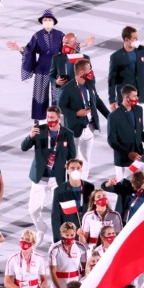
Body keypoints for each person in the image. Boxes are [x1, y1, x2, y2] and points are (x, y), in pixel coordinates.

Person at [6, 10, 94, 119]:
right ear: (42, 22)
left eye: (49, 20)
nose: (47, 21)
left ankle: (58, 117)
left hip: (58, 68)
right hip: (42, 68)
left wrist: (85, 44)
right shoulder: (37, 36)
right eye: (45, 20)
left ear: (54, 22)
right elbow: (29, 49)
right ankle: (40, 120)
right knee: (40, 94)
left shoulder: (60, 35)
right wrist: (18, 48)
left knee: (58, 93)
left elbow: (69, 46)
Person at [21, 105, 77, 247]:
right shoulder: (39, 130)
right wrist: (30, 136)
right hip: (39, 177)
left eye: (52, 117)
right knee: (33, 210)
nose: (49, 120)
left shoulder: (67, 134)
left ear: (59, 118)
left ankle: (56, 239)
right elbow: (23, 147)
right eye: (47, 117)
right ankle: (41, 229)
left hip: (56, 179)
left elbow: (72, 156)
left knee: (57, 211)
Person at [57, 59, 110, 180]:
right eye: (89, 69)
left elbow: (97, 100)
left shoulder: (89, 84)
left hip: (89, 127)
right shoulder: (66, 89)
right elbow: (61, 109)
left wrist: (109, 116)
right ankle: (72, 183)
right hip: (74, 129)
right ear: (81, 72)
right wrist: (76, 113)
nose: (91, 71)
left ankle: (83, 183)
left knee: (86, 158)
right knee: (74, 159)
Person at [107, 85, 144, 180]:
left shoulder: (139, 110)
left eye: (137, 96)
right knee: (124, 189)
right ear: (126, 98)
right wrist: (128, 153)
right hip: (124, 160)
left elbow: (138, 131)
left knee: (143, 185)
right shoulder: (114, 116)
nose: (137, 98)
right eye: (134, 96)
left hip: (140, 156)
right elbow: (112, 141)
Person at [51, 159, 95, 243]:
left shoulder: (90, 187)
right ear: (67, 171)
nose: (76, 170)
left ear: (81, 169)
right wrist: (57, 241)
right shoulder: (59, 190)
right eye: (72, 168)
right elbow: (55, 217)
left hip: (87, 234)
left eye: (78, 168)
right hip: (69, 234)